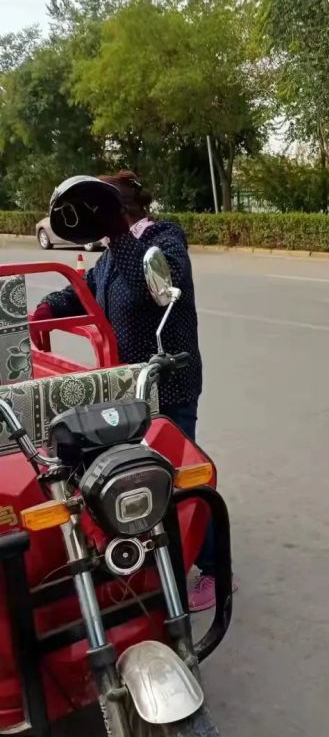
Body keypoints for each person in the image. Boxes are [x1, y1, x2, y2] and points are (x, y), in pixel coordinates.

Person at [31, 169, 222, 612]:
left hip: (167, 379)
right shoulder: (113, 252)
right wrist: (48, 307)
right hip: (127, 386)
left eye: (103, 203)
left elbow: (153, 288)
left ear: (125, 205)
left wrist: (120, 235)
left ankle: (214, 568)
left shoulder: (164, 238)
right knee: (134, 474)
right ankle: (148, 554)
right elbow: (87, 292)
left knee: (178, 473)